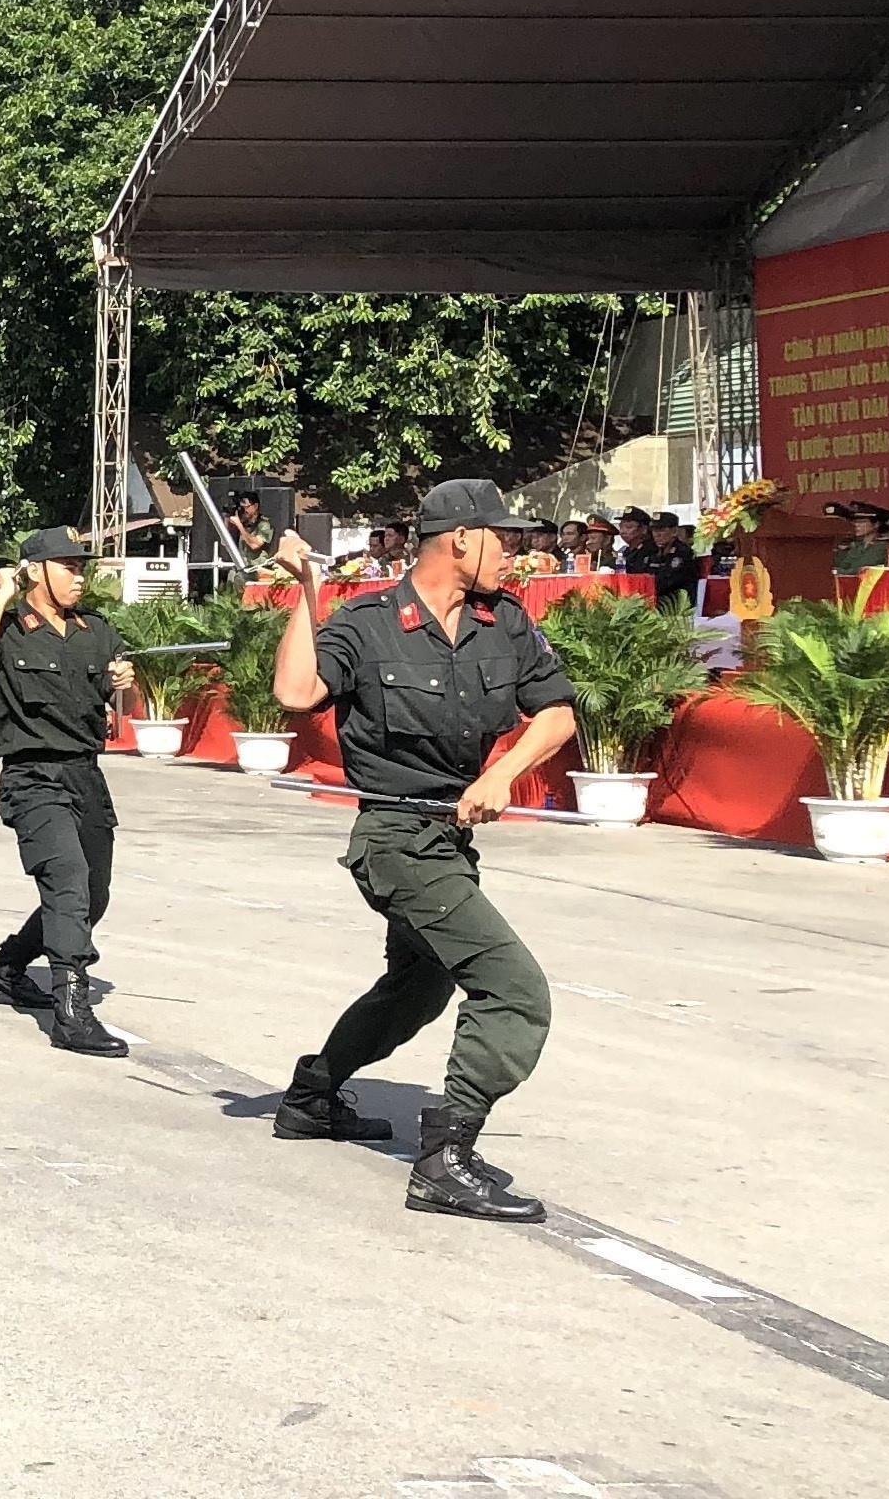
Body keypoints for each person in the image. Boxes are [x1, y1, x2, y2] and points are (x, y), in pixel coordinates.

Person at [270, 480, 578, 1223]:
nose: (517, 553)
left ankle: (314, 1096)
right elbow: (295, 690)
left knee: (418, 988)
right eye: (503, 539)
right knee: (512, 990)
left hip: (449, 837)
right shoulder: (370, 622)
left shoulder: (501, 621)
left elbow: (557, 712)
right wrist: (307, 590)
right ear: (461, 539)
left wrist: (501, 772)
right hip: (395, 839)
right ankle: (445, 1160)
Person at [0, 527, 135, 1059]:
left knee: (92, 898)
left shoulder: (94, 630)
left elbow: (121, 703)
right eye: (67, 567)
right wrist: (4, 593)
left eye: (81, 568)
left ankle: (7, 967)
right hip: (32, 777)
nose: (79, 576)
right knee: (68, 883)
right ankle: (72, 1011)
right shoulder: (8, 628)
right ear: (35, 570)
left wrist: (124, 683)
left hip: (85, 776)